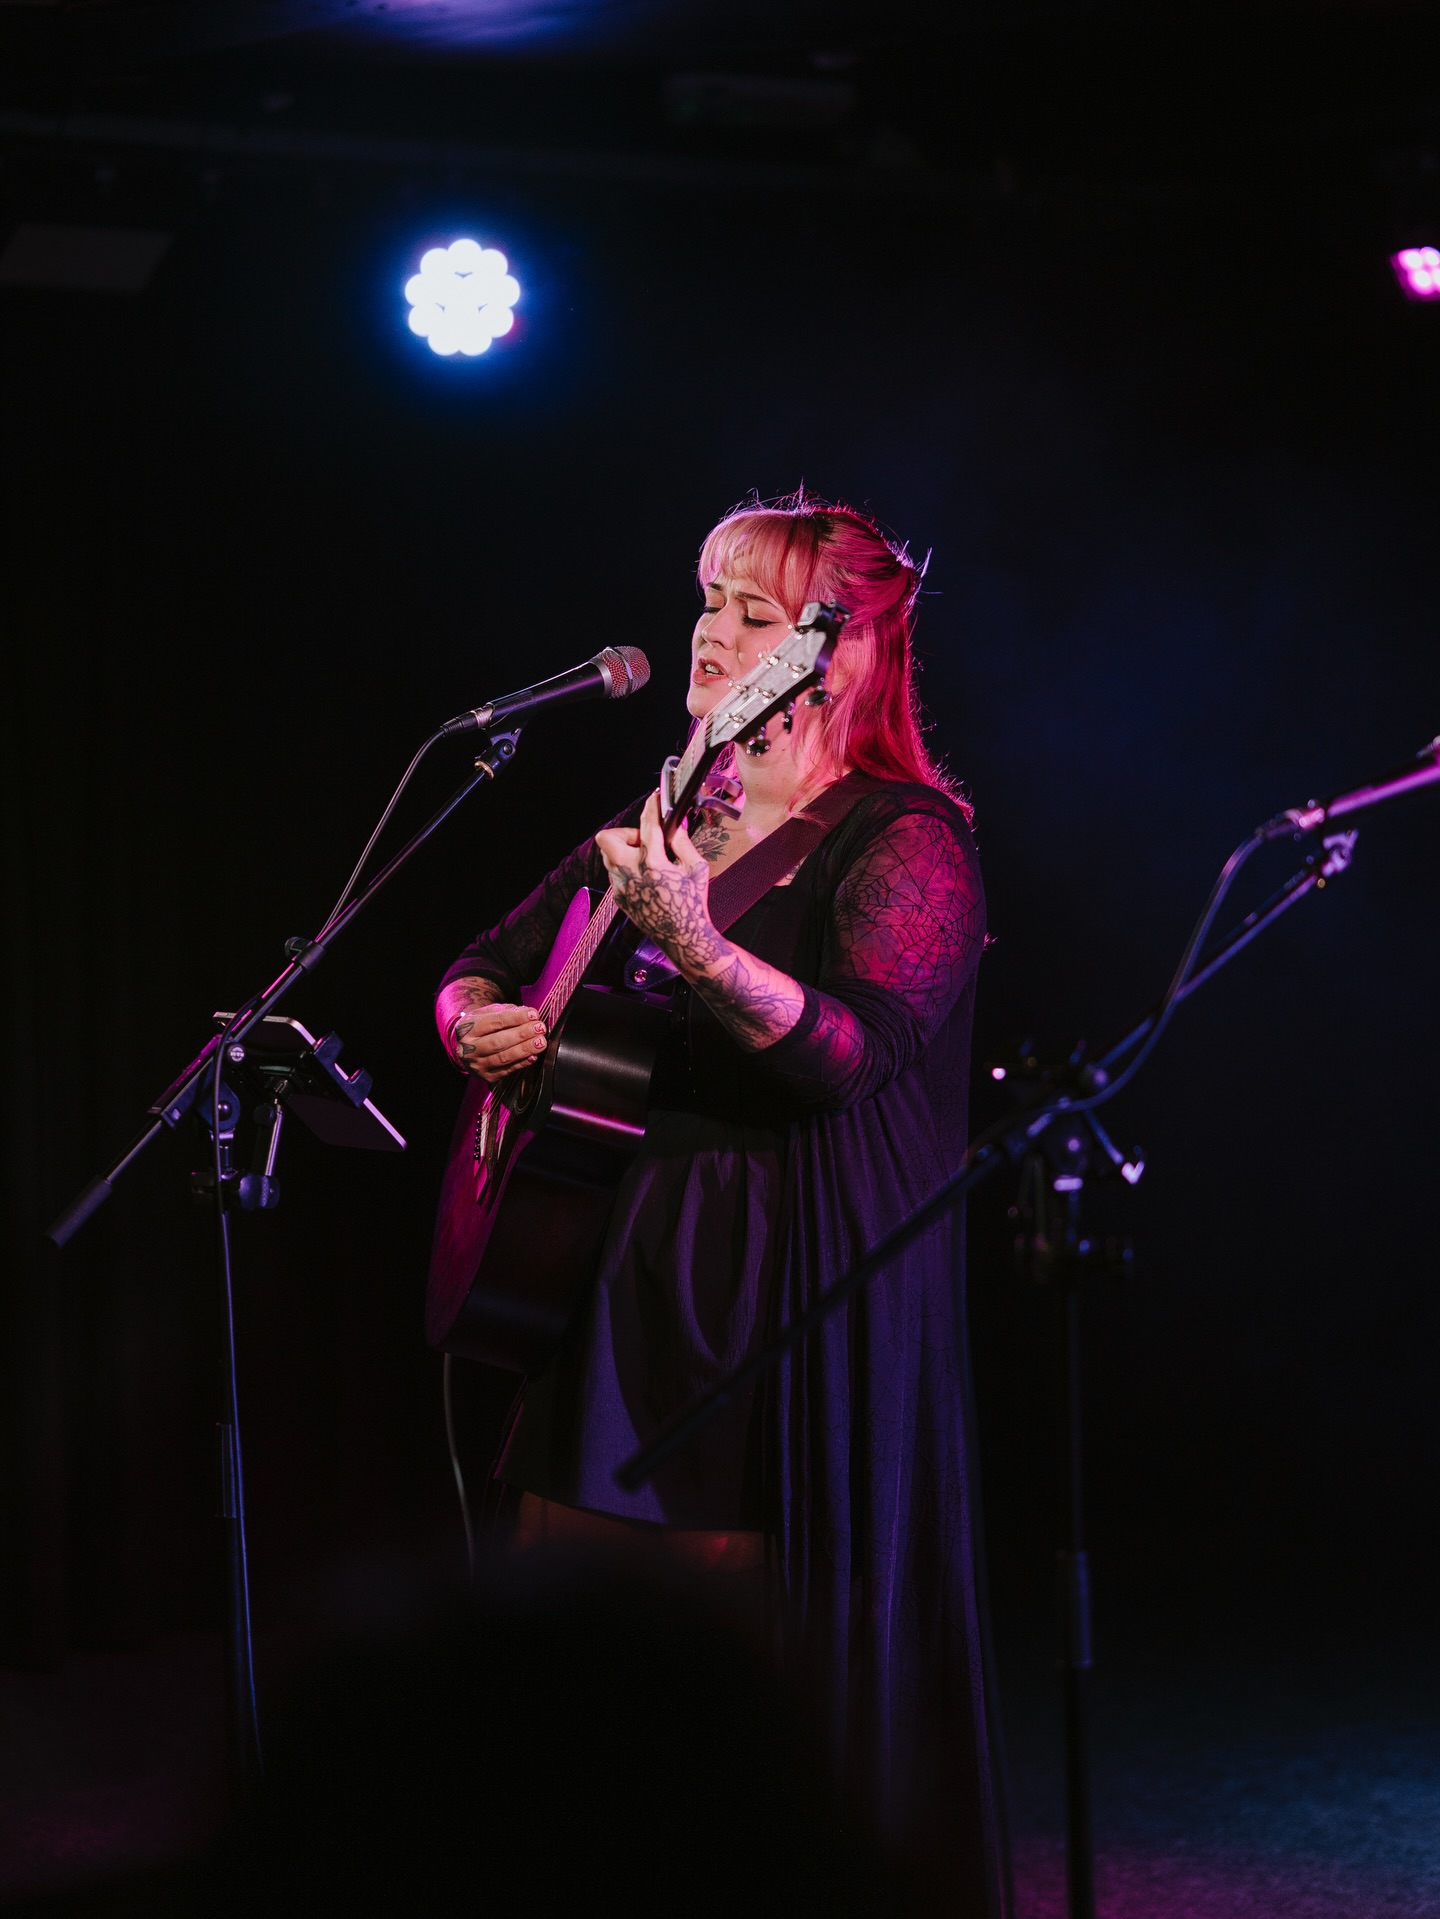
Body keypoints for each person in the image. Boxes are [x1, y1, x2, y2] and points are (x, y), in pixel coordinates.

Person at [434, 495, 1007, 1913]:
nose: (712, 631)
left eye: (756, 613)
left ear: (847, 652)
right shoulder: (657, 818)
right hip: (602, 1269)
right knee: (569, 1658)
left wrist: (695, 943)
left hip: (763, 1288)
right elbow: (476, 964)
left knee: (719, 1666)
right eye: (708, 598)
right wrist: (471, 1023)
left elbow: (853, 1058)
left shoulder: (906, 837)